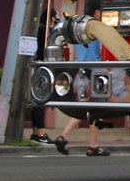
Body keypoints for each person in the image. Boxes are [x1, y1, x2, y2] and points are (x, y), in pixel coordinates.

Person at [53, 17, 110, 157]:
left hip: (80, 70)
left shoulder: (77, 30)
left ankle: (66, 137)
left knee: (86, 108)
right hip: (94, 71)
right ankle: (91, 145)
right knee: (94, 110)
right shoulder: (97, 29)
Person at [29, 10, 57, 145]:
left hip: (37, 67)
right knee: (42, 100)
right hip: (44, 67)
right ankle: (41, 132)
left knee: (37, 100)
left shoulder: (38, 31)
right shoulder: (47, 33)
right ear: (50, 18)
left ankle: (35, 131)